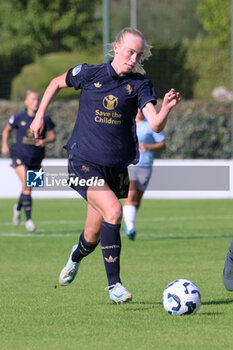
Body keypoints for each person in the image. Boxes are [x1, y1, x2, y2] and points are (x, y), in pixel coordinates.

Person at [30, 27, 181, 304]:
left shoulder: (140, 84)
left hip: (114, 167)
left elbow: (156, 124)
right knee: (114, 210)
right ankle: (115, 287)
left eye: (138, 54)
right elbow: (54, 83)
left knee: (92, 235)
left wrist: (167, 108)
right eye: (129, 51)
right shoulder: (90, 73)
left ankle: (76, 256)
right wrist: (39, 116)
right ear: (116, 47)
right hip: (83, 160)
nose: (133, 58)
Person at [1, 90, 56, 231]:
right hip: (19, 156)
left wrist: (44, 141)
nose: (35, 102)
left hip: (36, 158)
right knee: (27, 184)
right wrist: (5, 144)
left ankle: (18, 207)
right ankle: (29, 220)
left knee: (28, 188)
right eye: (32, 99)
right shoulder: (18, 117)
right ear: (26, 101)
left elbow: (52, 136)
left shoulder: (45, 118)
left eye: (37, 99)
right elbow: (7, 130)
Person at [123, 108, 165, 240]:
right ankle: (130, 227)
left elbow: (162, 143)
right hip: (130, 164)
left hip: (146, 165)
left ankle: (129, 222)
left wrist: (148, 147)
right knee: (130, 194)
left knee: (137, 201)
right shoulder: (125, 123)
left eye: (141, 109)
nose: (140, 111)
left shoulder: (150, 125)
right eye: (137, 109)